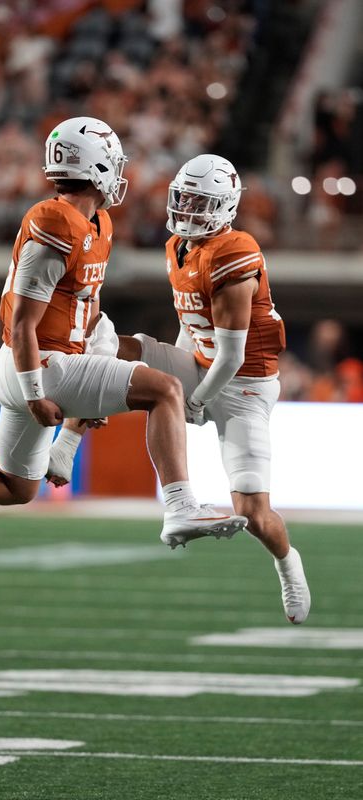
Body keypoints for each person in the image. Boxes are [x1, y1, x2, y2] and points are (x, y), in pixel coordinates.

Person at [0, 122, 247, 547]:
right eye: (112, 163)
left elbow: (89, 309)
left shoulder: (97, 223)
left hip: (41, 363)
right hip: (38, 364)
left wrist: (96, 367)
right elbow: (23, 320)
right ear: (96, 166)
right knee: (165, 389)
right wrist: (34, 392)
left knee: (15, 487)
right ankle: (180, 507)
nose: (118, 173)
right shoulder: (56, 221)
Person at [47, 153, 311, 624]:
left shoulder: (235, 252)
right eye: (183, 198)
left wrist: (195, 399)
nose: (187, 208)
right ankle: (67, 442)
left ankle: (288, 563)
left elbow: (231, 356)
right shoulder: (178, 247)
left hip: (245, 388)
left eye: (199, 201)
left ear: (226, 206)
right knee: (107, 344)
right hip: (205, 365)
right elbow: (193, 328)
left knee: (251, 511)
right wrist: (172, 373)